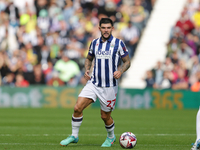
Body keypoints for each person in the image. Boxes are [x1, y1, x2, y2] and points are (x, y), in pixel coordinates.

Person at [60, 18, 131, 147]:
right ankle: (74, 136)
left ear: (112, 29)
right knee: (77, 108)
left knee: (105, 116)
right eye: (103, 27)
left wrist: (120, 71)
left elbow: (127, 62)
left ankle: (111, 137)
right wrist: (87, 69)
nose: (106, 30)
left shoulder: (118, 43)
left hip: (109, 86)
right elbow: (88, 58)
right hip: (93, 83)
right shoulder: (94, 43)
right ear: (99, 28)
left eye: (108, 27)